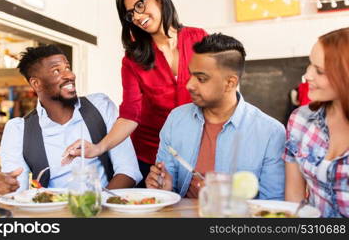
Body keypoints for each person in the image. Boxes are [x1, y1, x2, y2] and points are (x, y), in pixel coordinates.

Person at [62, 0, 207, 186]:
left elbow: (217, 90)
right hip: (151, 156)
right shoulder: (133, 59)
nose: (137, 16)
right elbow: (131, 114)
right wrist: (98, 148)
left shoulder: (199, 38)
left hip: (196, 151)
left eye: (140, 5)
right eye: (131, 14)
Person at [145, 33, 285, 200]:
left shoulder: (270, 133)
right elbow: (166, 188)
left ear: (230, 83)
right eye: (190, 75)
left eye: (201, 78)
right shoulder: (176, 119)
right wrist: (163, 190)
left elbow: (273, 204)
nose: (189, 85)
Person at [0, 45, 142, 195]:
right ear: (36, 83)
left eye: (68, 68)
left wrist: (93, 206)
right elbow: (17, 190)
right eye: (57, 70)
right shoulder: (18, 130)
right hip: (52, 213)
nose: (70, 75)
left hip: (105, 209)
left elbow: (128, 171)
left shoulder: (101, 106)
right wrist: (6, 189)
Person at [284, 27, 349, 217]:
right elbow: (294, 199)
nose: (308, 75)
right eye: (310, 64)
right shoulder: (301, 120)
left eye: (319, 71)